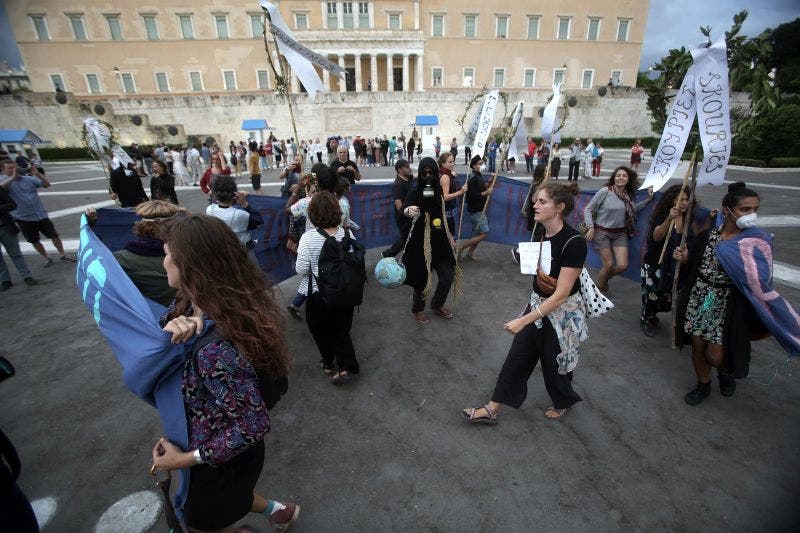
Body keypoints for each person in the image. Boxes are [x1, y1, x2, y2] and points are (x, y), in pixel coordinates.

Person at [153, 215, 298, 531]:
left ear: (191, 266)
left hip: (219, 459)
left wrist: (183, 460)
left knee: (203, 520)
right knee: (232, 498)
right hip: (210, 450)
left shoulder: (214, 349)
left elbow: (252, 424)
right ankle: (281, 511)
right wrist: (171, 328)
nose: (162, 261)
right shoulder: (192, 305)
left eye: (166, 253)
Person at [462, 181, 587, 424]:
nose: (534, 205)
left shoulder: (575, 242)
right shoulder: (542, 232)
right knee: (518, 356)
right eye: (535, 200)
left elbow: (561, 295)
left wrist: (524, 319)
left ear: (559, 207)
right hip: (538, 305)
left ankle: (564, 400)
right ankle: (492, 408)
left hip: (562, 313)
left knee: (555, 362)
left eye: (542, 201)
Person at [673, 182, 771, 406]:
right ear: (727, 210)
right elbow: (694, 261)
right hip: (702, 298)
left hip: (729, 302)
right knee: (698, 345)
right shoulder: (709, 236)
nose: (751, 214)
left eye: (755, 209)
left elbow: (761, 278)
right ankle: (703, 384)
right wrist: (685, 257)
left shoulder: (753, 242)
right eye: (745, 209)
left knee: (716, 355)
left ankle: (724, 372)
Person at [294, 191, 360, 384]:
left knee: (320, 331)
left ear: (312, 214)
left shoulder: (308, 238)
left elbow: (301, 270)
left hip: (318, 295)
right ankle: (347, 365)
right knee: (341, 329)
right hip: (345, 292)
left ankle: (328, 363)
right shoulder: (348, 233)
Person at [640, 185, 710, 337]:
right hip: (655, 264)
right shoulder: (662, 215)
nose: (684, 203)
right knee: (652, 296)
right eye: (680, 200)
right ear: (672, 201)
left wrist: (686, 254)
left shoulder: (689, 218)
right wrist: (669, 219)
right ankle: (646, 319)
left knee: (670, 297)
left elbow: (694, 242)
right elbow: (656, 237)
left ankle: (655, 316)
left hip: (675, 266)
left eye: (686, 199)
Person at [402, 157, 458, 324]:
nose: (428, 175)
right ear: (420, 174)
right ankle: (417, 309)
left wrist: (449, 236)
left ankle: (437, 304)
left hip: (440, 240)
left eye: (431, 172)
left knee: (448, 275)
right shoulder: (414, 191)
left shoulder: (439, 191)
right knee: (422, 279)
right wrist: (408, 210)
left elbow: (441, 214)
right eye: (424, 173)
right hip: (420, 243)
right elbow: (403, 211)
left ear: (435, 173)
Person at [93, 200, 180, 306]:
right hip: (188, 313)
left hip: (147, 316)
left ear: (141, 224)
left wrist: (91, 227)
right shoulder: (190, 254)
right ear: (175, 226)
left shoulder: (119, 259)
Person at [583, 165, 653, 293]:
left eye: (624, 176)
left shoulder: (627, 195)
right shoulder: (605, 191)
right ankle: (596, 293)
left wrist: (648, 200)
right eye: (618, 175)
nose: (621, 178)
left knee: (622, 266)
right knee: (608, 265)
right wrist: (591, 227)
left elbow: (632, 209)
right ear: (614, 178)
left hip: (620, 234)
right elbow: (588, 209)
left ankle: (603, 278)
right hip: (602, 232)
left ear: (628, 179)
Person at [0, 161, 75, 267]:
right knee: (34, 240)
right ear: (3, 170)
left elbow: (46, 185)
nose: (14, 170)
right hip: (23, 217)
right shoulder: (4, 181)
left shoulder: (28, 179)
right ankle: (46, 257)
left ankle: (63, 255)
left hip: (40, 214)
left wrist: (38, 174)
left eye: (15, 167)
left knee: (54, 235)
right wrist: (13, 177)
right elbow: (1, 189)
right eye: (10, 168)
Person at [207, 176, 264, 250]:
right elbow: (258, 220)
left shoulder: (209, 210)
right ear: (234, 193)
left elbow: (220, 204)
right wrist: (244, 204)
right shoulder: (240, 215)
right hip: (243, 249)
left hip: (224, 248)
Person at [457, 155, 493, 260]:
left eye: (482, 163)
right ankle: (461, 248)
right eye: (480, 164)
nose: (482, 165)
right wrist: (486, 192)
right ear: (474, 166)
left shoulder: (478, 176)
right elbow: (472, 195)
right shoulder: (473, 179)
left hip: (479, 209)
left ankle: (470, 253)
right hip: (476, 211)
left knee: (478, 233)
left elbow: (481, 189)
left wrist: (489, 182)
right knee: (484, 234)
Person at [0, 184, 35, 290]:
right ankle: (5, 280)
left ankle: (27, 276)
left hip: (5, 227)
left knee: (15, 254)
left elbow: (12, 205)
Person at [381, 159, 414, 258]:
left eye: (409, 166)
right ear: (399, 170)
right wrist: (407, 214)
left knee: (409, 237)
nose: (409, 168)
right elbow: (398, 203)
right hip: (404, 216)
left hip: (410, 213)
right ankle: (387, 254)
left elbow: (416, 175)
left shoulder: (408, 178)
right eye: (407, 167)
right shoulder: (398, 184)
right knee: (406, 237)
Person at [438, 152, 467, 234]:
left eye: (453, 161)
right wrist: (461, 192)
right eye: (450, 162)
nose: (453, 164)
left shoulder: (442, 173)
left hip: (443, 211)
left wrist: (451, 175)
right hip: (446, 213)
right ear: (443, 163)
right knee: (450, 238)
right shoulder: (445, 176)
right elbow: (445, 197)